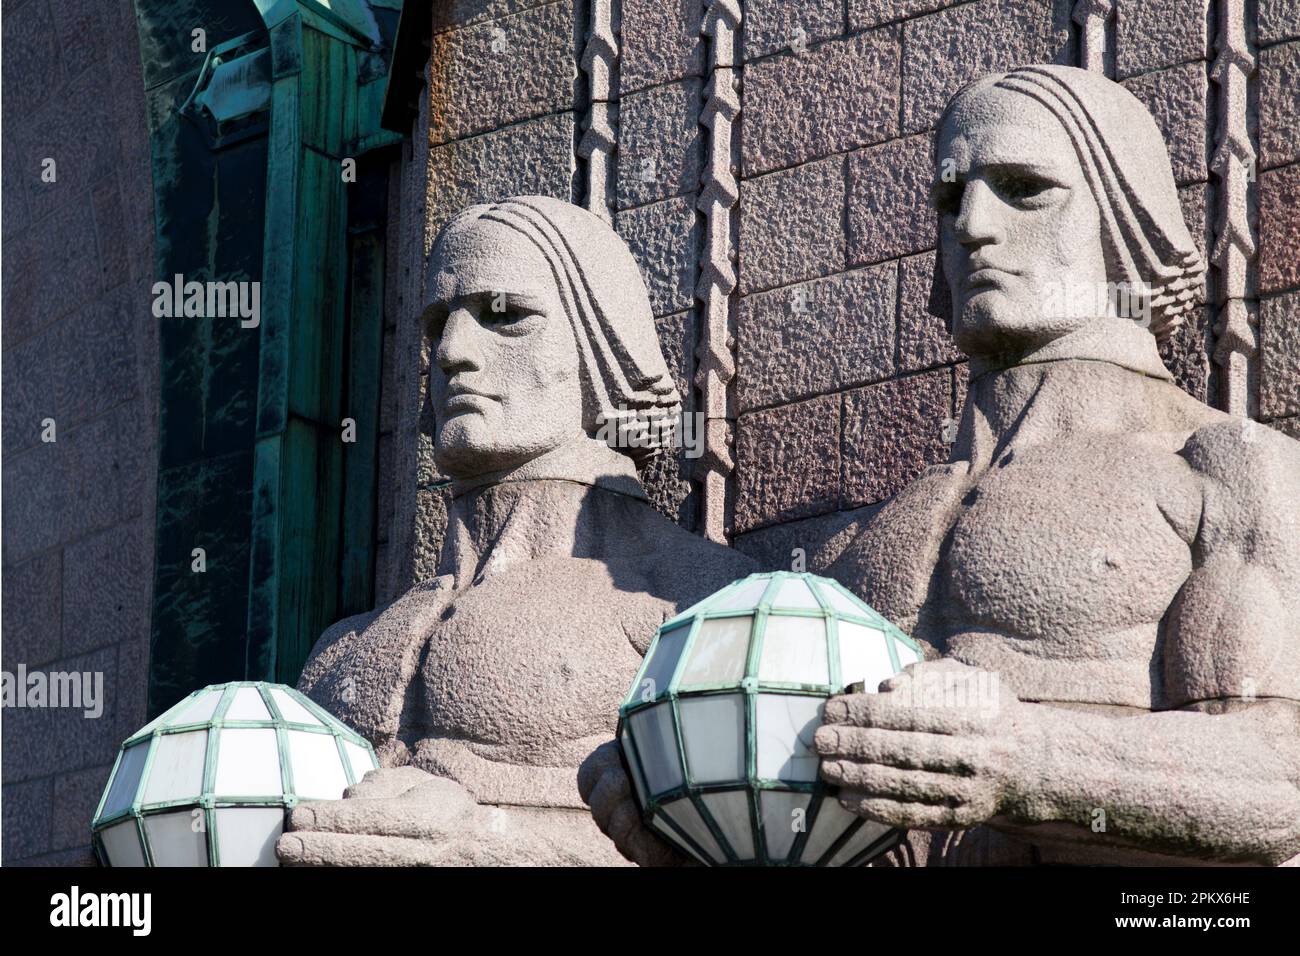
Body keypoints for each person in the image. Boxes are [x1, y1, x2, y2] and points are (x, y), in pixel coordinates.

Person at [586, 65, 1300, 866]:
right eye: (952, 198)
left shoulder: (1226, 470)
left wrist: (1028, 762)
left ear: (1126, 219)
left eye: (1025, 188)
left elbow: (1283, 779)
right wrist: (698, 827)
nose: (974, 224)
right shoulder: (861, 549)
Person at [277, 196, 754, 866]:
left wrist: (496, 850)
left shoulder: (700, 603)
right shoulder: (336, 655)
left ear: (600, 346)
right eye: (438, 323)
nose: (451, 352)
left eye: (505, 315)